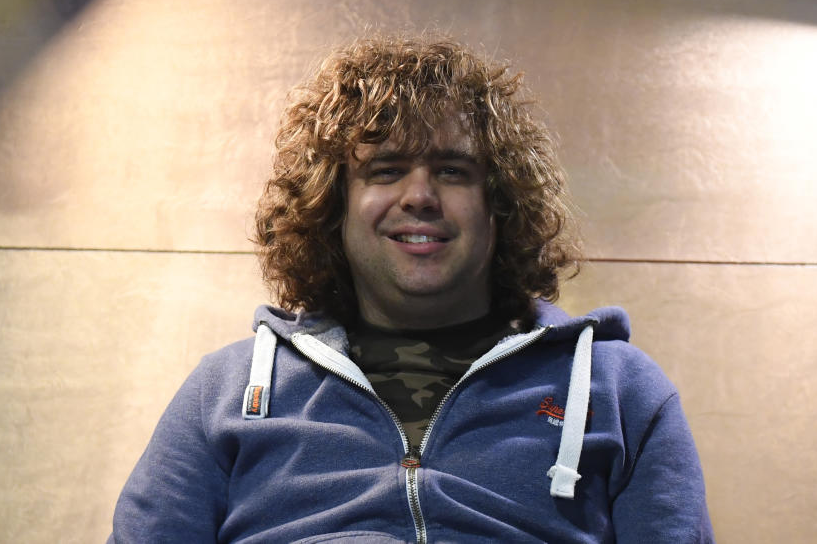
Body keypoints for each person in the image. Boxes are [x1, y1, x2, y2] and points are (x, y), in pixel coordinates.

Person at [110, 35, 713, 543]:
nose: (420, 196)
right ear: (333, 206)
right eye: (386, 169)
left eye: (453, 170)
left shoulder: (620, 391)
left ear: (498, 205)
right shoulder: (227, 392)